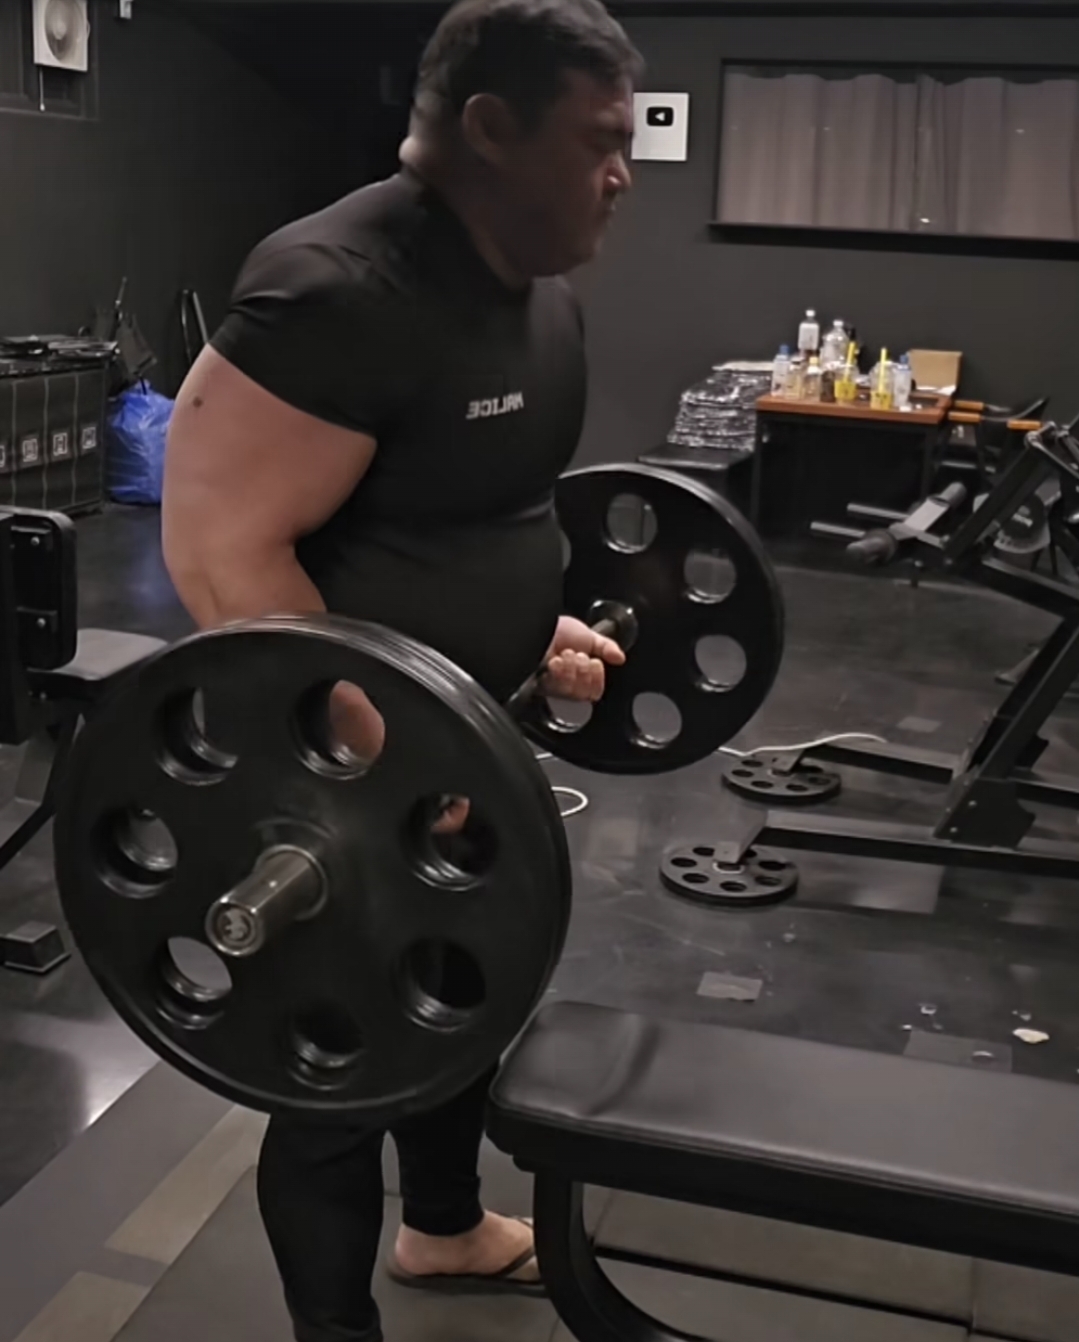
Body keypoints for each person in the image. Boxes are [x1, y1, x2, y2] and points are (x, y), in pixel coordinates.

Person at [161, 0, 640, 1337]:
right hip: (344, 772)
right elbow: (220, 549)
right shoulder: (335, 291)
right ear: (491, 128)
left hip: (462, 743)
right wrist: (382, 760)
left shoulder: (532, 290)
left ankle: (442, 1228)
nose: (623, 173)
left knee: (461, 998)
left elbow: (470, 518)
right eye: (598, 141)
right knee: (338, 1065)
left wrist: (535, 633)